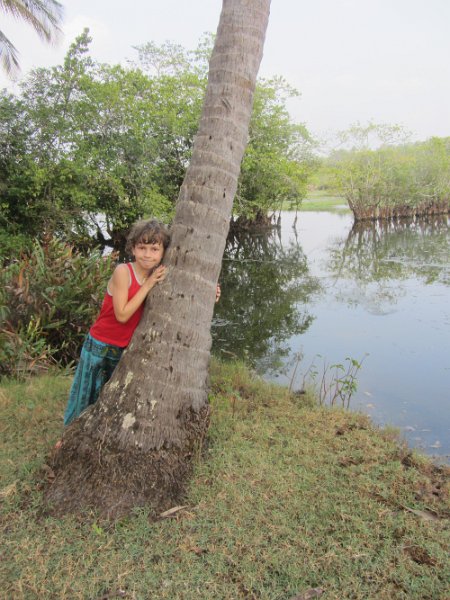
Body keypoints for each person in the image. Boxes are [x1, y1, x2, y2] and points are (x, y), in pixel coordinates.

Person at [63, 219, 171, 426]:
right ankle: (68, 436)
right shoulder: (124, 272)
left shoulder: (157, 274)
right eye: (142, 248)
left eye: (154, 249)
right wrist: (148, 285)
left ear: (163, 252)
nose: (147, 254)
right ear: (133, 248)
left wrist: (213, 293)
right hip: (100, 344)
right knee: (84, 396)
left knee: (109, 398)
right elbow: (122, 315)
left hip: (124, 349)